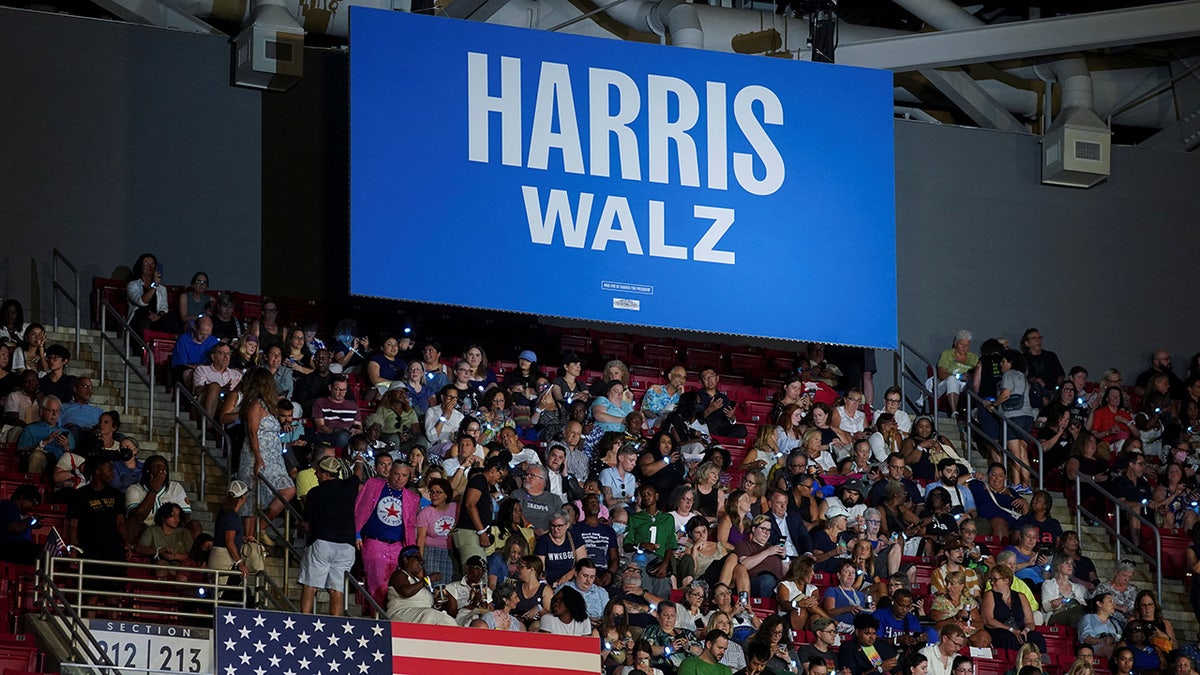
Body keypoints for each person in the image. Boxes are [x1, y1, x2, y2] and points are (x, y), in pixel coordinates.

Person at [237, 369, 296, 542]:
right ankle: (251, 537)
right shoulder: (256, 404)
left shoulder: (269, 405)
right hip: (258, 457)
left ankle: (259, 528)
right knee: (253, 498)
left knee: (288, 489)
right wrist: (258, 457)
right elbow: (252, 432)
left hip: (274, 458)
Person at [354, 460, 420, 605]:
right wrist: (357, 533)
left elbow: (410, 526)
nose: (399, 478)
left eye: (404, 475)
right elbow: (360, 508)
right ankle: (376, 618)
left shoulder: (412, 497)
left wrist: (411, 550)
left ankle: (390, 617)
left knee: (395, 584)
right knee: (377, 584)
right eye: (396, 474)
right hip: (374, 541)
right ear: (390, 473)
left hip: (398, 546)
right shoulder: (373, 485)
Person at [299, 456, 358, 615]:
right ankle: (335, 626)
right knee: (336, 588)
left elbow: (307, 522)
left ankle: (304, 622)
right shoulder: (350, 486)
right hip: (347, 546)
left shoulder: (314, 493)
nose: (316, 474)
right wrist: (358, 461)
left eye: (318, 471)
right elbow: (357, 474)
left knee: (310, 585)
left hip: (322, 542)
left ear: (325, 473)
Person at [124, 454, 196, 544]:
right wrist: (153, 490)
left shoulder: (175, 487)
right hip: (146, 530)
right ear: (147, 470)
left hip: (172, 531)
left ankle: (185, 556)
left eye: (164, 466)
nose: (162, 470)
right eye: (157, 466)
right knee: (131, 523)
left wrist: (168, 528)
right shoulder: (134, 489)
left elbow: (186, 515)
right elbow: (137, 517)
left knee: (194, 525)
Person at [452, 454, 509, 566]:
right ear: (493, 469)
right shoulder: (479, 480)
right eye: (500, 476)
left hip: (473, 534)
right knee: (475, 575)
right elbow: (470, 505)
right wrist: (481, 532)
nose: (500, 480)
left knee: (479, 574)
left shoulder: (483, 483)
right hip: (469, 533)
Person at [626, 483, 679, 596]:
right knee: (642, 576)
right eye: (643, 495)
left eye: (649, 494)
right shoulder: (635, 518)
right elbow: (627, 545)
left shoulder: (667, 518)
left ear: (657, 496)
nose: (646, 497)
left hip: (660, 559)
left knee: (662, 586)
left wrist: (665, 564)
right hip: (641, 556)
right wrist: (642, 545)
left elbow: (671, 545)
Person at [385, 545, 457, 625]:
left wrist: (437, 604)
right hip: (401, 612)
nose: (421, 563)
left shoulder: (418, 582)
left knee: (447, 619)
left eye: (421, 561)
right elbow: (406, 592)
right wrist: (428, 579)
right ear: (406, 560)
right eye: (417, 559)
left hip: (421, 613)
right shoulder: (399, 574)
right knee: (431, 615)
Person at [981, 565, 1045, 652]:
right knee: (1008, 637)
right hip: (999, 631)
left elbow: (1029, 622)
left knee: (1036, 637)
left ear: (1006, 581)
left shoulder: (1021, 596)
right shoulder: (989, 595)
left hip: (1019, 630)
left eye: (995, 580)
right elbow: (988, 620)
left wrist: (1026, 630)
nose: (992, 582)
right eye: (991, 580)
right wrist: (1010, 630)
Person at [967, 462, 1028, 539]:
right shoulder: (980, 486)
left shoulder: (1011, 492)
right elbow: (957, 483)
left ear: (1005, 478)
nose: (997, 478)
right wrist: (972, 475)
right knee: (999, 522)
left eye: (1000, 475)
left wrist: (1024, 503)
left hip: (1011, 526)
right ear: (988, 475)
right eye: (993, 474)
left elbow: (1025, 516)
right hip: (987, 524)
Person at [930, 570, 989, 648]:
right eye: (947, 583)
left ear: (961, 586)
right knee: (956, 636)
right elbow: (936, 625)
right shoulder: (940, 600)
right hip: (947, 632)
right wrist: (955, 618)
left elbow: (980, 624)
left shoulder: (969, 601)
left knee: (983, 636)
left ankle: (976, 659)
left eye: (952, 584)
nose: (948, 587)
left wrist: (966, 624)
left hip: (966, 633)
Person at [415, 477, 457, 584]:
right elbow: (420, 540)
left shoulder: (456, 508)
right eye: (432, 492)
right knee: (434, 585)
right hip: (431, 553)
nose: (434, 495)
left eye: (438, 492)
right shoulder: (425, 513)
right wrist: (419, 562)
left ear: (446, 494)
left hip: (451, 553)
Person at [18, 394, 74, 473]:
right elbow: (21, 451)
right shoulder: (30, 429)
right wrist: (45, 442)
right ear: (41, 411)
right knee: (37, 456)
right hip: (40, 461)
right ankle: (34, 484)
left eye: (57, 411)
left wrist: (66, 448)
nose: (54, 414)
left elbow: (72, 459)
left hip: (59, 465)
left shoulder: (67, 433)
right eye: (51, 410)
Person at [535, 509, 587, 589]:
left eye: (559, 526)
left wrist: (567, 577)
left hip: (571, 583)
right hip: (549, 584)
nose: (556, 529)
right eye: (553, 526)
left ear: (567, 525)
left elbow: (583, 563)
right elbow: (540, 569)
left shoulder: (574, 538)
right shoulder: (544, 541)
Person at [126, 252, 171, 336]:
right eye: (146, 263)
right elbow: (141, 301)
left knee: (170, 319)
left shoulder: (162, 289)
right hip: (138, 320)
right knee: (143, 314)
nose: (149, 266)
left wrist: (158, 315)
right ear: (141, 266)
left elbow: (164, 308)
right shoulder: (133, 285)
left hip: (156, 319)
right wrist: (154, 286)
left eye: (152, 264)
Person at [311, 375, 362, 448]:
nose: (341, 393)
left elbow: (358, 426)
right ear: (330, 388)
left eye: (344, 390)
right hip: (331, 436)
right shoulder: (320, 403)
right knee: (342, 436)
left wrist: (356, 431)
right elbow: (320, 427)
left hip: (351, 435)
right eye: (337, 389)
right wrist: (336, 430)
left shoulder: (353, 406)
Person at [934, 330, 978, 414]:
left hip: (966, 384)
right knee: (952, 379)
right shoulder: (947, 354)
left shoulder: (973, 357)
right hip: (945, 384)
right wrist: (959, 376)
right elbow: (941, 375)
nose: (964, 347)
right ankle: (954, 411)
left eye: (967, 345)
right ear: (955, 343)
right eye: (962, 345)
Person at [698, 369, 747, 439]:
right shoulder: (697, 397)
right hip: (708, 427)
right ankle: (718, 442)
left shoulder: (724, 398)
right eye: (705, 377)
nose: (709, 380)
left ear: (717, 378)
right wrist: (710, 409)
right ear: (701, 382)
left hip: (723, 428)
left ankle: (721, 442)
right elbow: (695, 420)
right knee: (705, 427)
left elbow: (729, 420)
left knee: (742, 429)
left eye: (711, 376)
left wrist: (732, 417)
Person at [0, 484, 43, 565]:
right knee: (44, 554)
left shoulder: (20, 514)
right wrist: (30, 520)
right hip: (10, 550)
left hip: (21, 549)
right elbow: (15, 528)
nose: (33, 507)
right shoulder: (8, 506)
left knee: (47, 552)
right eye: (33, 502)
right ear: (23, 497)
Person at [1041, 554, 1088, 627]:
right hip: (1054, 616)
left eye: (1071, 564)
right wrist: (1055, 604)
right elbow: (1045, 607)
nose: (1070, 566)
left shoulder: (1076, 587)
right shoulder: (1048, 584)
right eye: (1066, 563)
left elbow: (1083, 605)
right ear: (1058, 566)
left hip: (1074, 615)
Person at [1093, 559, 1138, 627]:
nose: (1127, 579)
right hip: (1109, 621)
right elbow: (1095, 602)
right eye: (1124, 576)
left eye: (1129, 577)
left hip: (1131, 622)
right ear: (1116, 572)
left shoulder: (1133, 589)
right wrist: (1117, 606)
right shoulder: (1104, 587)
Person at [1077, 592, 1121, 658]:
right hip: (1093, 648)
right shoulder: (1088, 618)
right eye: (1110, 601)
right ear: (1099, 603)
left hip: (1113, 646)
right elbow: (1085, 638)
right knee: (1109, 649)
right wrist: (1102, 641)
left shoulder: (1114, 622)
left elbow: (1120, 637)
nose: (1114, 604)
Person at [565, 557, 609, 621]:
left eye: (592, 577)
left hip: (597, 628)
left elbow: (608, 616)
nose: (588, 580)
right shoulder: (564, 590)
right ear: (576, 574)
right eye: (585, 576)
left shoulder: (601, 593)